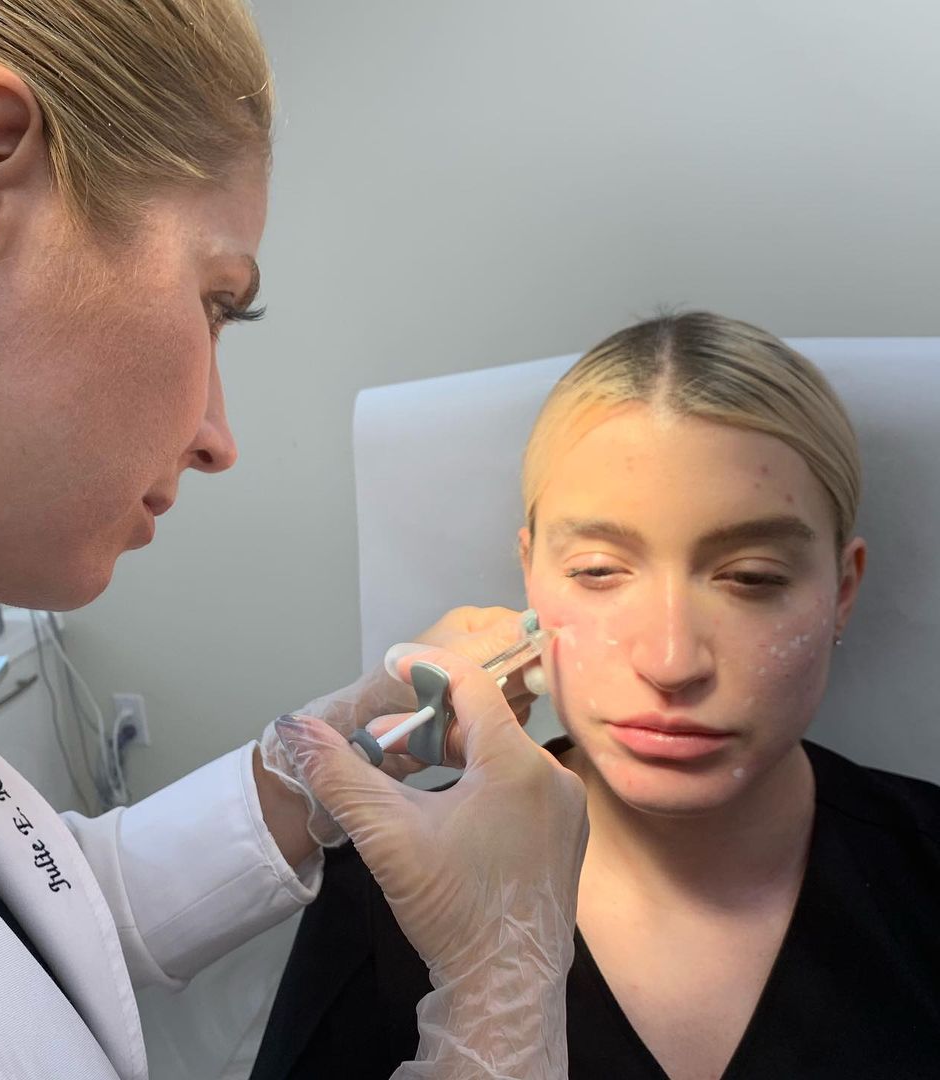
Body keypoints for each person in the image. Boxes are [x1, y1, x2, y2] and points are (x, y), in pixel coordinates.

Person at [0, 2, 587, 1077]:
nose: (219, 440)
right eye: (214, 301)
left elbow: (25, 926)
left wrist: (327, 756)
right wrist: (499, 1008)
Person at [254, 311, 940, 1079]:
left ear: (842, 590)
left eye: (751, 578)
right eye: (598, 572)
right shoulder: (390, 882)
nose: (672, 662)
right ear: (531, 579)